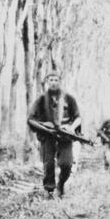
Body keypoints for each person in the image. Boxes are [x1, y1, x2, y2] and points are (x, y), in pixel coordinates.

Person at [27, 69, 81, 198]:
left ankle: (61, 184)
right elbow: (31, 119)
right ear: (47, 82)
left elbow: (78, 118)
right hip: (48, 137)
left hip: (65, 137)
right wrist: (45, 126)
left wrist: (71, 127)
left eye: (56, 80)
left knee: (66, 164)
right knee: (49, 164)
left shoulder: (69, 98)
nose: (54, 83)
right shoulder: (41, 100)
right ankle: (49, 189)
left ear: (60, 82)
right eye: (51, 80)